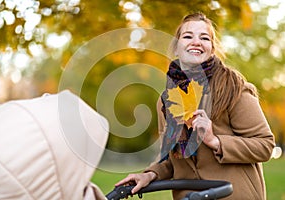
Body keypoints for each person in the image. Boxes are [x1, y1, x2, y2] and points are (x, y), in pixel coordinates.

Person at [115, 12, 275, 200]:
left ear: (212, 49)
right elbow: (171, 158)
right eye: (188, 36)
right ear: (176, 47)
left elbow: (265, 145)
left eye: (204, 38)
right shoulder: (166, 101)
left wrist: (215, 141)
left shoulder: (234, 89)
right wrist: (150, 174)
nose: (196, 42)